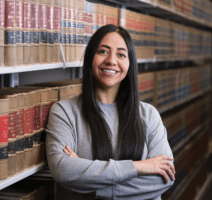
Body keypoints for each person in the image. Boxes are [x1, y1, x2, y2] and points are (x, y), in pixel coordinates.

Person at [45, 24, 175, 200]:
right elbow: (63, 170)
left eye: (121, 54)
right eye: (103, 51)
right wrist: (138, 167)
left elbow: (163, 178)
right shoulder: (64, 112)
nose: (112, 61)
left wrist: (92, 185)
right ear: (90, 57)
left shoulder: (149, 115)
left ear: (130, 64)